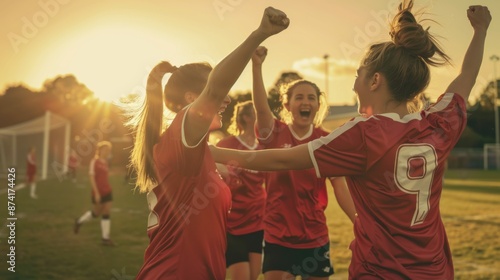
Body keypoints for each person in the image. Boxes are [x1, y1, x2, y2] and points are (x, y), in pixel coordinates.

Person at [211, 2, 491, 279]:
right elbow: (466, 77)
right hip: (434, 270)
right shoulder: (438, 124)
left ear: (375, 81)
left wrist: (212, 152)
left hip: (379, 270)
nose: (354, 84)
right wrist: (480, 31)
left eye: (358, 76)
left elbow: (282, 158)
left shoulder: (364, 133)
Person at [127, 7, 289, 279]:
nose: (226, 99)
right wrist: (259, 35)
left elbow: (262, 160)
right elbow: (215, 90)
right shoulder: (181, 135)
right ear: (192, 98)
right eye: (220, 93)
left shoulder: (199, 149)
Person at [251, 46, 356, 280]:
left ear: (318, 105)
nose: (305, 102)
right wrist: (256, 66)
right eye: (299, 97)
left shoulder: (326, 141)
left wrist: (358, 222)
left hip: (315, 237)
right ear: (287, 105)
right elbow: (261, 108)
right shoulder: (274, 133)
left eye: (311, 98)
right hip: (278, 237)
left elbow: (340, 186)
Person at [216, 100, 266, 280]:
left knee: (254, 276)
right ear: (246, 117)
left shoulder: (264, 147)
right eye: (257, 113)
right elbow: (214, 171)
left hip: (257, 219)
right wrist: (229, 175)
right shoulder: (227, 143)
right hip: (232, 222)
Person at [74, 141, 115, 246]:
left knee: (106, 211)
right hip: (98, 192)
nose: (107, 152)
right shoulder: (94, 161)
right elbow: (92, 177)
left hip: (107, 191)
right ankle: (79, 221)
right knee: (96, 213)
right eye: (105, 150)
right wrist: (96, 193)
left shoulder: (106, 162)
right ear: (100, 150)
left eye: (108, 150)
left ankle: (105, 238)